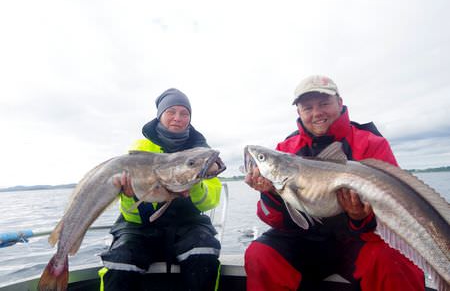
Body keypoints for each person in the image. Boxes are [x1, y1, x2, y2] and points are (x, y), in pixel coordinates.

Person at [244, 75, 425, 291]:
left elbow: (396, 212)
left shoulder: (371, 144)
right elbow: (278, 222)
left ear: (339, 103)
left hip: (359, 239)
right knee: (261, 254)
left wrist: (361, 217)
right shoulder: (285, 150)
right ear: (299, 112)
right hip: (305, 241)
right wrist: (271, 193)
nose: (316, 113)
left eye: (324, 103)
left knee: (395, 261)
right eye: (307, 107)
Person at [99, 88, 223, 291]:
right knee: (121, 260)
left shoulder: (203, 152)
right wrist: (131, 196)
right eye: (171, 112)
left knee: (205, 249)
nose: (177, 118)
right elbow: (131, 216)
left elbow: (210, 201)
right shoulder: (141, 148)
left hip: (188, 223)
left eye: (184, 113)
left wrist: (194, 185)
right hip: (141, 227)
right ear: (160, 115)